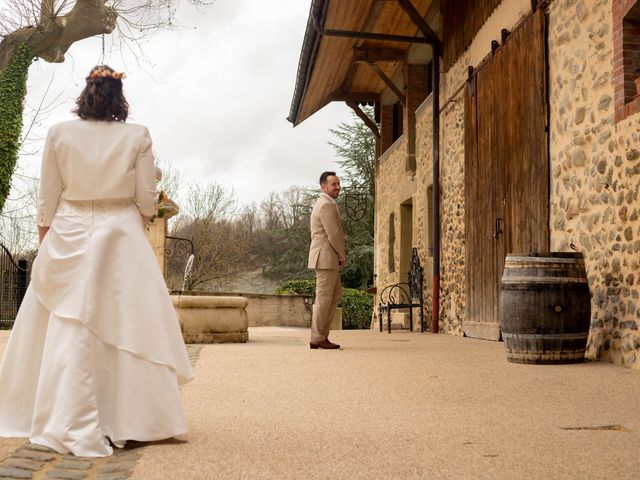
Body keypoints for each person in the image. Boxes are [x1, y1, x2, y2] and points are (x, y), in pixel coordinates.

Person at [0, 65, 193, 457]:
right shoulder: (137, 135)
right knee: (128, 320)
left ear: (86, 94)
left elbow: (47, 197)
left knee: (67, 322)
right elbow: (145, 198)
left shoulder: (58, 133)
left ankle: (57, 412)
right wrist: (134, 220)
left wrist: (45, 245)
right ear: (119, 96)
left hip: (69, 228)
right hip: (120, 231)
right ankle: (134, 417)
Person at [308, 171, 346, 350]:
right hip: (326, 258)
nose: (338, 187)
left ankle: (322, 335)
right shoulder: (326, 205)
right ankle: (317, 337)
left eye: (338, 183)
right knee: (323, 298)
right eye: (334, 184)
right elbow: (334, 234)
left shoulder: (328, 203)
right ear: (324, 187)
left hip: (327, 258)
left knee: (335, 294)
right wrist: (341, 255)